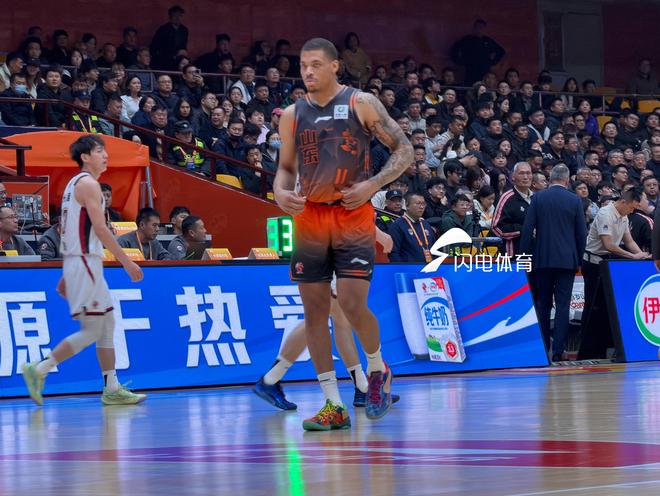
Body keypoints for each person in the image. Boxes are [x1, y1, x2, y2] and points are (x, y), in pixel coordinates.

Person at [274, 38, 412, 430]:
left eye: (316, 64)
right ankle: (333, 403)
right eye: (303, 65)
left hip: (352, 214)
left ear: (335, 66)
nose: (308, 71)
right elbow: (286, 168)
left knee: (351, 304)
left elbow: (404, 150)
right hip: (310, 219)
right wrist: (280, 192)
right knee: (315, 313)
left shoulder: (360, 102)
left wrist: (373, 184)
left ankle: (377, 368)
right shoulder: (292, 114)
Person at [22, 135, 145, 406]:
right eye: (99, 151)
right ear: (85, 157)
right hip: (85, 262)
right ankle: (39, 368)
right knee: (93, 330)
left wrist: (68, 272)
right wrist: (126, 261)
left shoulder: (73, 184)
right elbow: (100, 229)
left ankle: (111, 387)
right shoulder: (89, 184)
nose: (105, 155)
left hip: (81, 262)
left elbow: (73, 230)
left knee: (106, 323)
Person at [520, 165, 587, 362]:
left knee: (543, 304)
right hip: (567, 261)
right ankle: (558, 350)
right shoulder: (575, 200)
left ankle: (543, 348)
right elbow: (581, 234)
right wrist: (579, 259)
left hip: (542, 259)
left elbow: (527, 229)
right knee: (563, 306)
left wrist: (524, 257)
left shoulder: (538, 197)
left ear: (550, 179)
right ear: (567, 180)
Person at [579, 187, 649, 360]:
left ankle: (605, 346)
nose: (632, 211)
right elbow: (608, 244)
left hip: (607, 263)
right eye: (632, 207)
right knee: (592, 306)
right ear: (624, 201)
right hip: (593, 263)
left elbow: (629, 241)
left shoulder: (623, 215)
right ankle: (586, 350)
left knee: (607, 307)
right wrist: (632, 256)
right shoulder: (606, 213)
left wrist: (641, 255)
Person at [491, 162, 533, 255]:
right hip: (513, 254)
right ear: (513, 176)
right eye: (521, 173)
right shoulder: (506, 198)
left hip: (535, 253)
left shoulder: (536, 198)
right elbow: (496, 228)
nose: (526, 177)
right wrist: (524, 230)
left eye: (528, 173)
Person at [450, 19, 505, 85]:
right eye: (477, 27)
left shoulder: (488, 41)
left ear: (484, 29)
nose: (479, 29)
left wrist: (492, 62)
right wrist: (459, 62)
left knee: (484, 85)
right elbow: (454, 49)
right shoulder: (467, 40)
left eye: (481, 27)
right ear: (474, 28)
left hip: (484, 69)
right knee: (469, 86)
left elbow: (501, 51)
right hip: (470, 69)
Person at [389, 192, 436, 262]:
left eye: (423, 204)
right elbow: (394, 253)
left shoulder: (425, 224)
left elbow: (434, 249)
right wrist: (402, 268)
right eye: (418, 203)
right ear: (407, 205)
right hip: (409, 268)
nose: (421, 207)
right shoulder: (397, 225)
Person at [150, 5, 188, 70]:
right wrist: (173, 55)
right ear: (170, 17)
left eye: (180, 16)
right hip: (165, 61)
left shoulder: (184, 30)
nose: (177, 18)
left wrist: (184, 51)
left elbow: (183, 46)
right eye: (175, 16)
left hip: (179, 61)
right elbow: (155, 48)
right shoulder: (163, 29)